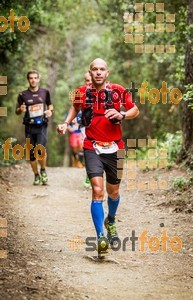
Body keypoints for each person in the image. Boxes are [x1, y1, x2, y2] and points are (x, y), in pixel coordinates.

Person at [57, 58, 139, 256]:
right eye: (95, 69)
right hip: (91, 146)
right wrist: (65, 123)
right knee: (97, 190)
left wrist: (122, 115)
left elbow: (135, 110)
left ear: (107, 73)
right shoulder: (82, 92)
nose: (99, 72)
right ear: (90, 72)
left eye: (102, 69)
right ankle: (101, 237)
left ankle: (110, 220)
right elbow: (75, 108)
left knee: (114, 191)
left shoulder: (119, 91)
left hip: (115, 148)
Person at [16, 70, 53, 185]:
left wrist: (50, 111)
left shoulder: (45, 92)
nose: (33, 80)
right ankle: (36, 175)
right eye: (31, 78)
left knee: (41, 150)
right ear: (28, 80)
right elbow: (17, 111)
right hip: (29, 126)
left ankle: (43, 170)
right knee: (31, 153)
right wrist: (20, 110)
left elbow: (50, 105)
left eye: (35, 78)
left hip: (41, 125)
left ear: (38, 79)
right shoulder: (22, 95)